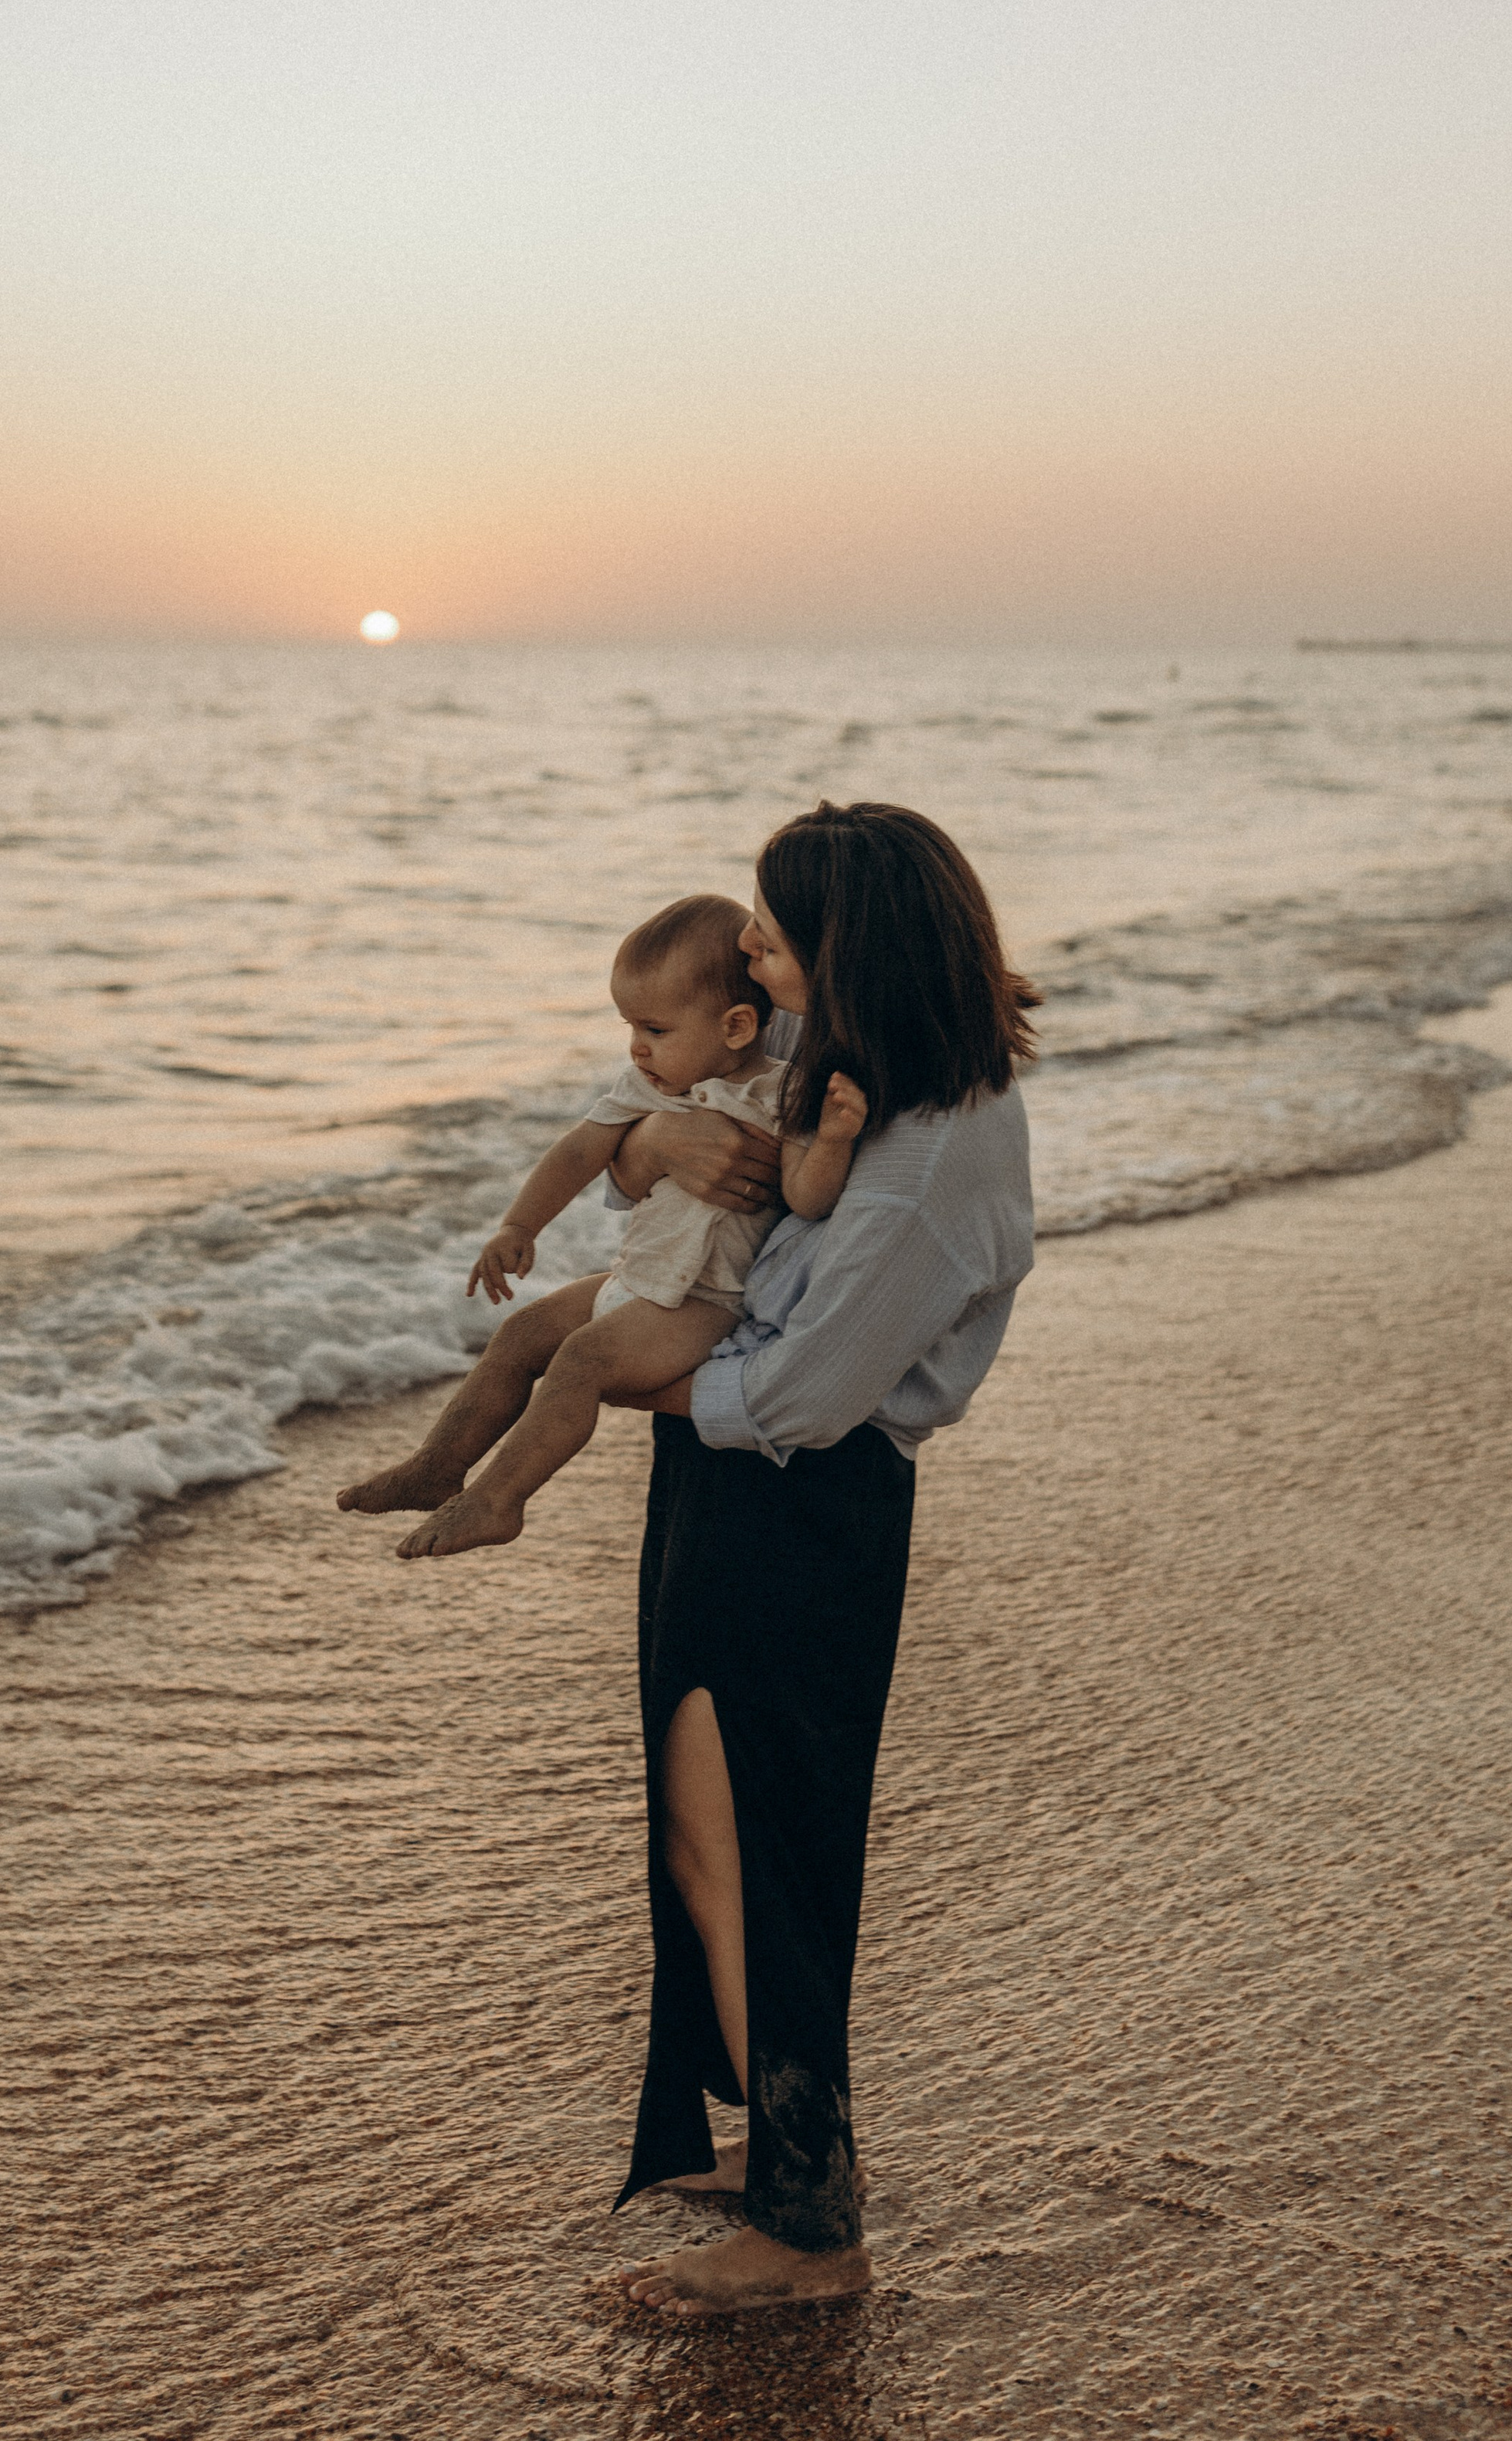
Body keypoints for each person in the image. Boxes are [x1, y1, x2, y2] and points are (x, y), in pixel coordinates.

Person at [598, 801, 1039, 2317]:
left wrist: (603, 1381)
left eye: (775, 936)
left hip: (797, 1506)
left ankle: (808, 2230)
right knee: (710, 1829)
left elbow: (798, 1396)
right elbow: (668, 1127)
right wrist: (644, 1141)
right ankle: (782, 2143)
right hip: (728, 1488)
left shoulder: (925, 1161)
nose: (746, 947)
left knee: (758, 1845)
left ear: (853, 954)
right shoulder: (853, 1065)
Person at [335, 894, 866, 1560]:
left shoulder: (783, 1093)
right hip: (635, 1280)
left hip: (703, 1302)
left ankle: (499, 1500)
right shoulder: (651, 1085)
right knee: (521, 1333)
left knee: (580, 1361)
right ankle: (435, 1466)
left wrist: (835, 1140)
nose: (637, 1046)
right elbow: (580, 1151)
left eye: (656, 1029)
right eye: (630, 1026)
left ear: (735, 1026)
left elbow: (807, 1198)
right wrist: (518, 1225)